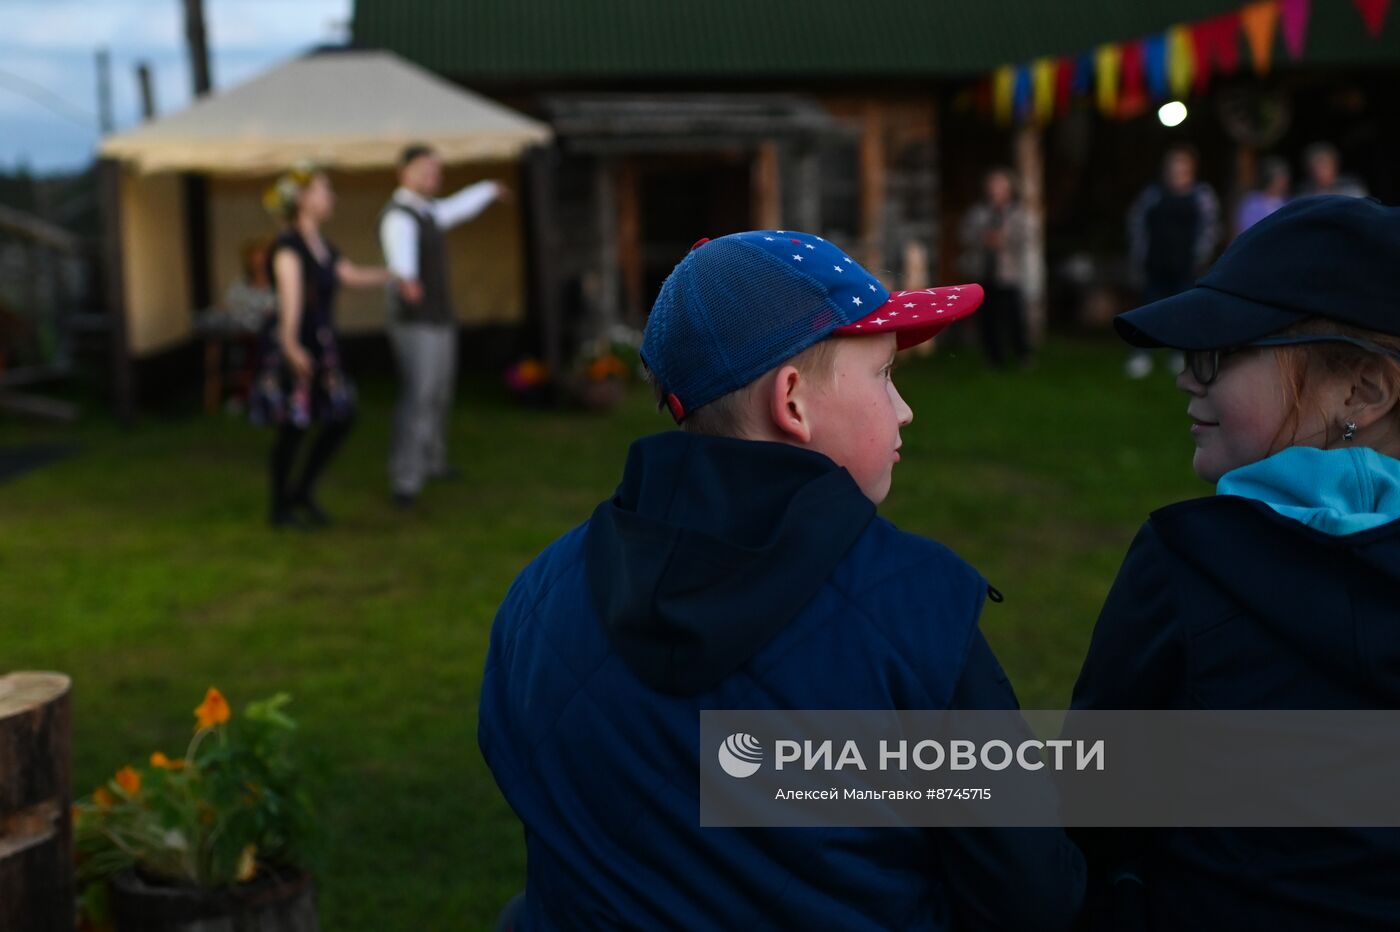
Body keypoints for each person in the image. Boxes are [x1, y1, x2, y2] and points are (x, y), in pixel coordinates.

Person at [479, 231, 1086, 930]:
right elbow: (1029, 893)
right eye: (885, 375)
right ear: (792, 402)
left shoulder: (537, 599)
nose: (905, 410)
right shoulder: (914, 613)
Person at [1072, 196, 1400, 930]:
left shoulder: (1190, 560)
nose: (1188, 378)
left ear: (1362, 389)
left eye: (1217, 354)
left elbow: (1094, 796)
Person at [251, 164, 392, 528]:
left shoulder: (322, 245)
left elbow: (352, 275)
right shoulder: (287, 247)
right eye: (324, 189)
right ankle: (280, 507)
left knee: (341, 417)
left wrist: (395, 275)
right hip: (299, 343)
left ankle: (301, 491)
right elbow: (290, 300)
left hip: (321, 344)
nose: (331, 197)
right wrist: (291, 346)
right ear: (302, 198)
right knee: (294, 427)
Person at [379, 143, 507, 508]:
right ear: (404, 172)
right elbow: (399, 255)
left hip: (439, 317)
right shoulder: (399, 215)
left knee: (438, 393)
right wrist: (407, 279)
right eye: (426, 169)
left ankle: (432, 462)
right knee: (418, 396)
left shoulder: (429, 211)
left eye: (437, 169)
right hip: (414, 321)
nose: (434, 175)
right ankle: (405, 479)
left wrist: (488, 189)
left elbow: (457, 208)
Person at [1125, 145, 1221, 379]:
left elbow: (1211, 228)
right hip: (1155, 264)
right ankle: (1142, 355)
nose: (1176, 170)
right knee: (1148, 309)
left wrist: (1200, 255)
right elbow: (1136, 222)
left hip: (1186, 266)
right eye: (1173, 165)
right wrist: (1140, 254)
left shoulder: (1201, 195)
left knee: (1183, 311)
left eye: (1182, 165)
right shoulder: (1153, 194)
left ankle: (1179, 355)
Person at [959, 167, 1033, 368]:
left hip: (1008, 273)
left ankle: (1022, 355)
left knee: (1013, 315)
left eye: (1000, 185)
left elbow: (1026, 237)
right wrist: (983, 239)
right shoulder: (979, 213)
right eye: (992, 185)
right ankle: (993, 357)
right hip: (984, 272)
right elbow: (965, 235)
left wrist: (1004, 240)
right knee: (988, 317)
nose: (995, 190)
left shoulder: (1018, 213)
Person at [1233, 155, 1290, 236]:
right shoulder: (1252, 202)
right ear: (1270, 180)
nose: (1285, 182)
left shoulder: (1288, 202)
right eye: (1281, 178)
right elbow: (1246, 231)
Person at [1298, 142, 1368, 199]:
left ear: (1335, 166)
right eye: (1314, 167)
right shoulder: (1303, 194)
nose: (1319, 171)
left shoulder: (1352, 189)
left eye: (1324, 165)